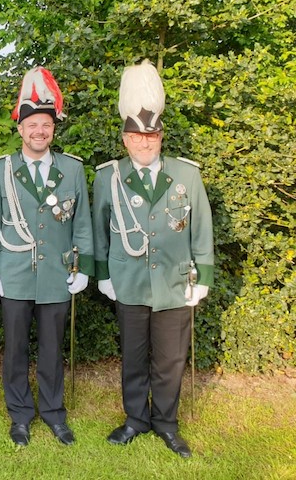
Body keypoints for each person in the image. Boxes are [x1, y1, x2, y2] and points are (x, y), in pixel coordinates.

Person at [93, 60, 214, 458]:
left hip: (175, 284)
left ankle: (165, 421)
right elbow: (99, 230)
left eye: (151, 136)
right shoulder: (108, 177)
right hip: (128, 281)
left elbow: (200, 230)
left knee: (170, 358)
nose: (144, 143)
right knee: (133, 356)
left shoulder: (187, 176)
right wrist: (103, 274)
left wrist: (204, 276)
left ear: (161, 136)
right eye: (136, 137)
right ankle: (135, 419)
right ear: (124, 139)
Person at [0, 67, 94, 447]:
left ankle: (54, 413)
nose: (39, 132)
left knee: (51, 348)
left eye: (46, 125)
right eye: (32, 126)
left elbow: (81, 224)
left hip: (55, 276)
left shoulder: (72, 169)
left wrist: (83, 269)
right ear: (20, 129)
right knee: (15, 351)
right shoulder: (2, 169)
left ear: (53, 130)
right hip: (13, 274)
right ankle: (20, 415)